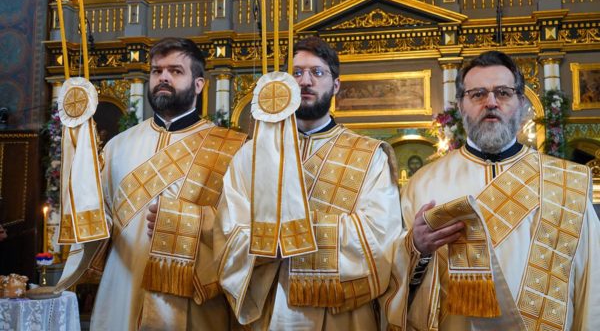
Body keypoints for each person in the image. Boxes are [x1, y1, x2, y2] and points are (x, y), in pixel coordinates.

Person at [382, 51, 600, 330]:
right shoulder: (423, 184)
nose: (491, 102)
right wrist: (417, 248)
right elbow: (392, 277)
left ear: (521, 103)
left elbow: (592, 282)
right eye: (478, 94)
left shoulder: (568, 182)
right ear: (460, 105)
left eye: (503, 93)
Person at [56, 37, 247, 330]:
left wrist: (188, 220)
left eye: (175, 71)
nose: (163, 78)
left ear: (199, 84)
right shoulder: (117, 146)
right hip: (121, 292)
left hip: (192, 301)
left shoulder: (232, 148)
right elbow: (98, 221)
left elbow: (245, 228)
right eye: (157, 71)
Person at [215, 36, 402, 329]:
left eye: (317, 72)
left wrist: (291, 235)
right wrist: (266, 245)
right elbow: (228, 229)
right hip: (271, 310)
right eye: (297, 73)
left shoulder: (369, 156)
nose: (305, 81)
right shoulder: (251, 155)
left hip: (342, 314)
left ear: (335, 85)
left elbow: (380, 238)